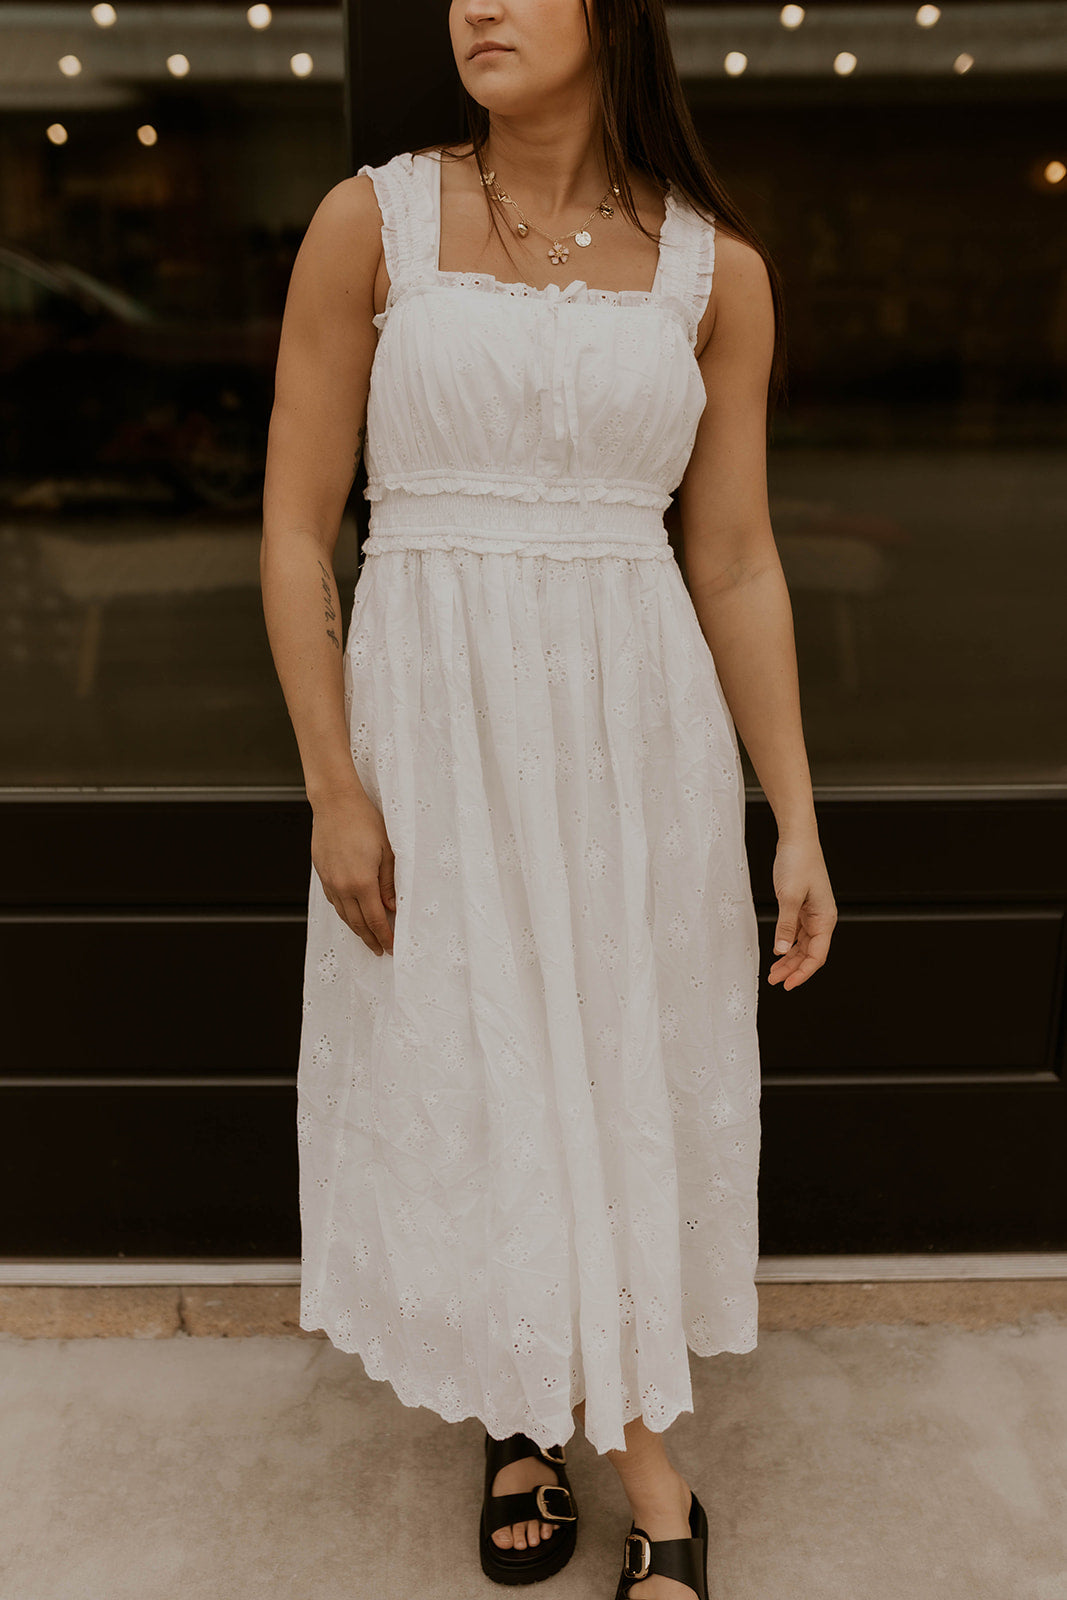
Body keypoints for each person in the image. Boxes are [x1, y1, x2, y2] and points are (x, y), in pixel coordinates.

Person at [260, 0, 837, 1591]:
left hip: (632, 746)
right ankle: (608, 1456)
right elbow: (298, 528)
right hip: (434, 738)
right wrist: (333, 784)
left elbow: (735, 559)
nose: (479, 6)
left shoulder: (716, 273)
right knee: (481, 1072)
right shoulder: (370, 224)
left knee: (608, 1073)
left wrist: (793, 816)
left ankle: (568, 1416)